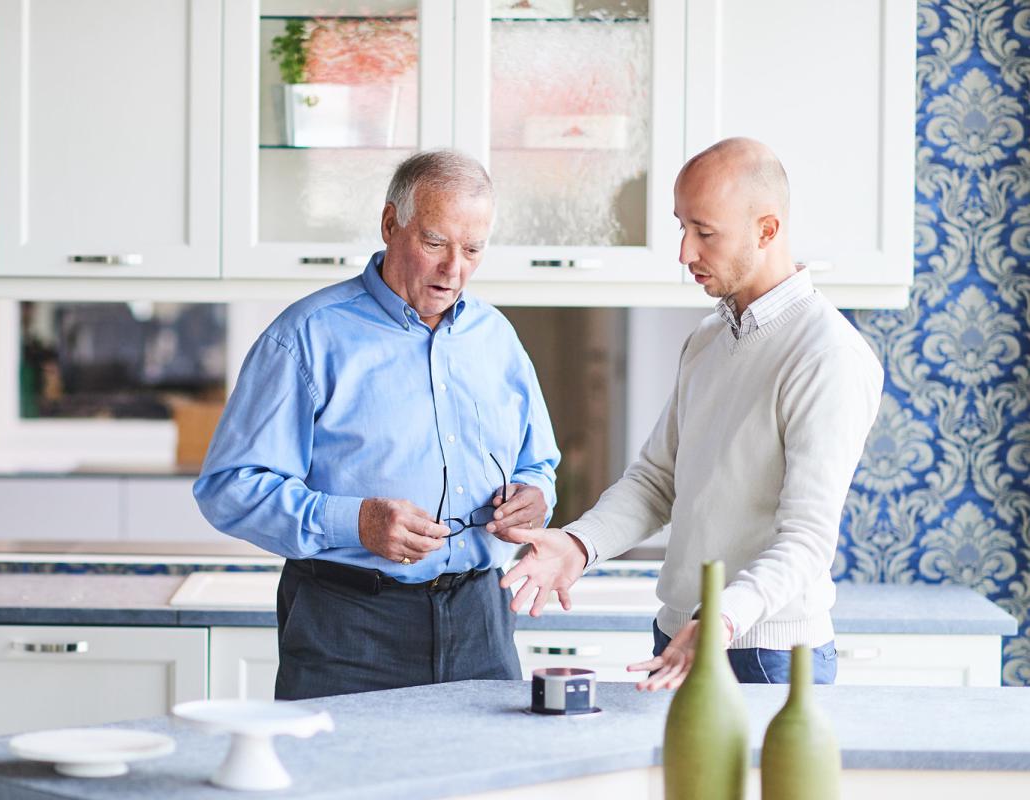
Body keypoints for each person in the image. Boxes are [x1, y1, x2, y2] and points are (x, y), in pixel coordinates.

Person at [496, 137, 883, 688]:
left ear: (766, 230)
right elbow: (657, 482)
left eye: (705, 232)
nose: (684, 252)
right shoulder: (709, 338)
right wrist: (581, 544)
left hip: (765, 653)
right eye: (682, 227)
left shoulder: (828, 355)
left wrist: (723, 618)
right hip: (679, 634)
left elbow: (806, 539)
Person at [194, 150, 560, 700]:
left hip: (481, 621)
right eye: (435, 243)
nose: (454, 269)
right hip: (347, 626)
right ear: (391, 224)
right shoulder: (305, 338)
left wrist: (535, 495)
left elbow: (539, 462)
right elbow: (230, 489)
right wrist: (355, 522)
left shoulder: (497, 338)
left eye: (473, 249)